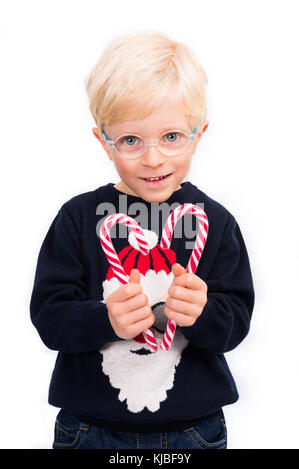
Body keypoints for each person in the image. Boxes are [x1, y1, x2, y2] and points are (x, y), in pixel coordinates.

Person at [30, 31, 255, 450]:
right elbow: (49, 316)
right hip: (89, 429)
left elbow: (237, 321)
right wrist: (105, 320)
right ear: (104, 141)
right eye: (131, 140)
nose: (153, 158)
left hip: (193, 430)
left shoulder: (216, 222)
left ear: (198, 134)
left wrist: (204, 312)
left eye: (171, 137)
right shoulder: (78, 219)